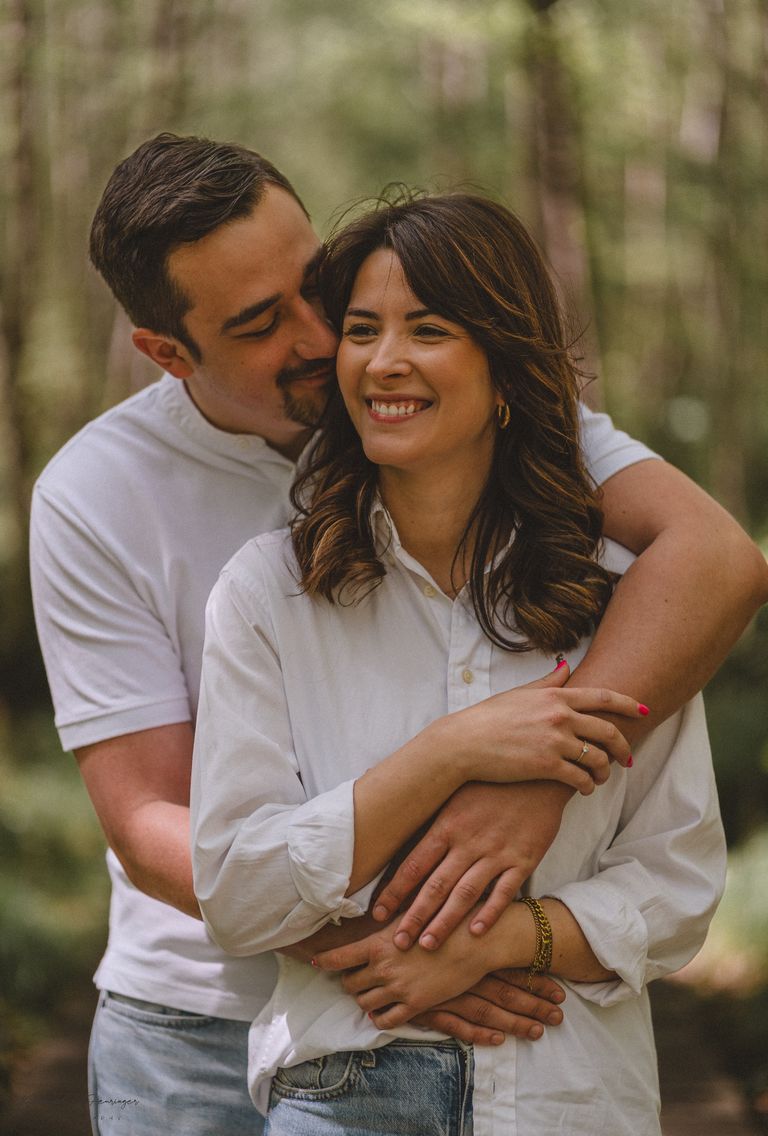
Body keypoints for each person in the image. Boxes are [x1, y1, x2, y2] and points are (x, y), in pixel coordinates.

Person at [29, 134, 767, 1135]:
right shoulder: (97, 494)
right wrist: (418, 947)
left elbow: (717, 560)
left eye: (316, 287)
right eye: (260, 323)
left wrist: (534, 793)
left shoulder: (451, 403)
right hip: (196, 1020)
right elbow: (150, 817)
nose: (321, 334)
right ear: (167, 351)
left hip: (512, 1044)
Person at [190, 192, 729, 1135]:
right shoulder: (268, 594)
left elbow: (677, 884)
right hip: (346, 1095)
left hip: (571, 1098)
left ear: (507, 371)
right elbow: (236, 894)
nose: (383, 360)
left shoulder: (620, 603)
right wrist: (448, 753)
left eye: (429, 329)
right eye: (363, 330)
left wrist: (503, 941)